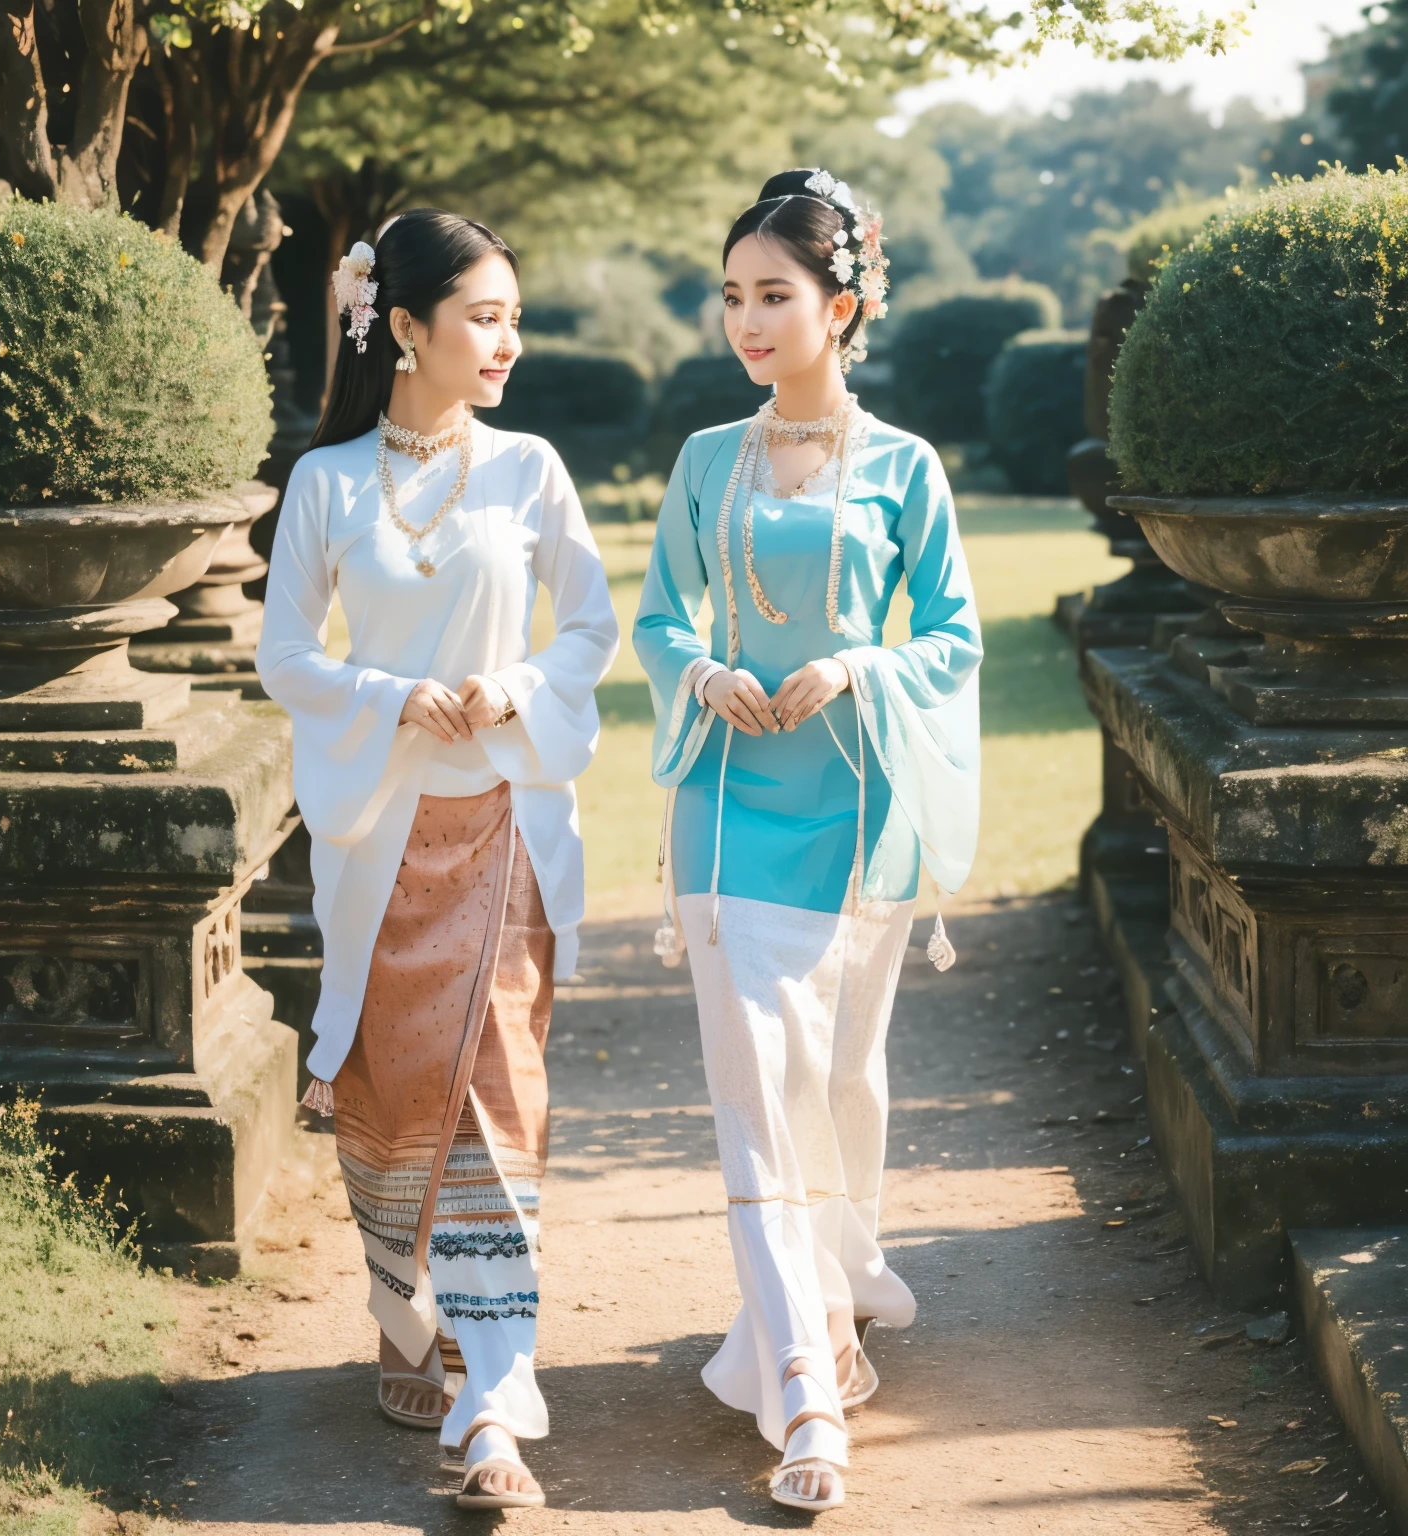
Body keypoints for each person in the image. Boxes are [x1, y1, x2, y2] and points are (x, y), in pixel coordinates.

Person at [255, 208, 619, 1511]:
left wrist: (512, 685)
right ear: (404, 328)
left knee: (499, 1103)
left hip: (503, 828)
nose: (507, 340)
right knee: (397, 1093)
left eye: (512, 316)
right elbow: (282, 655)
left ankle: (493, 1399)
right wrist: (391, 695)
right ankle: (410, 1318)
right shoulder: (329, 482)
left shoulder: (528, 470)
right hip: (379, 841)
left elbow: (592, 626)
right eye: (485, 316)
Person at [633, 168, 982, 1513]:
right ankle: (809, 1396)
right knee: (755, 1103)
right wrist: (706, 675)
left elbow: (951, 636)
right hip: (726, 809)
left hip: (858, 819)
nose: (749, 320)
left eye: (775, 293)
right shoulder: (704, 460)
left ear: (844, 306)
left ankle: (830, 1297)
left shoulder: (906, 468)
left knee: (840, 1088)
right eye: (734, 295)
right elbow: (662, 616)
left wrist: (854, 668)